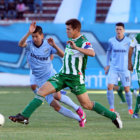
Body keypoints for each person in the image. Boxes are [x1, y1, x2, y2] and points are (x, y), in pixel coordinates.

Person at [11, 19, 123, 128]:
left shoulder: (83, 41)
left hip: (75, 79)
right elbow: (66, 56)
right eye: (66, 29)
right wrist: (56, 46)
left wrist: (77, 48)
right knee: (41, 92)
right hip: (62, 75)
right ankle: (24, 116)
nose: (66, 31)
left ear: (76, 30)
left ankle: (113, 116)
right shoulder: (71, 41)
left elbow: (92, 53)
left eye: (68, 29)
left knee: (87, 105)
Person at [9, 22, 86, 127]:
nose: (35, 38)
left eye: (36, 36)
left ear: (42, 36)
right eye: (33, 36)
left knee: (57, 96)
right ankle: (80, 119)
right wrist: (28, 33)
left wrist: (54, 45)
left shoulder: (48, 45)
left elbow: (63, 55)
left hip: (50, 75)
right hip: (39, 79)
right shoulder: (29, 44)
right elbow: (20, 44)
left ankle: (78, 109)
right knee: (55, 106)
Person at [104, 22, 133, 114]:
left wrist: (130, 64)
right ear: (115, 30)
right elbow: (108, 53)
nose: (118, 31)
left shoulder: (128, 41)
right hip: (114, 68)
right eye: (117, 29)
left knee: (127, 89)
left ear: (124, 30)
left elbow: (132, 53)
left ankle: (130, 108)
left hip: (125, 69)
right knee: (109, 87)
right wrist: (107, 64)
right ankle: (112, 108)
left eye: (120, 29)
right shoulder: (111, 40)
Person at [128, 33, 140, 118]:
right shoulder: (138, 36)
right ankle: (135, 113)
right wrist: (129, 63)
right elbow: (131, 48)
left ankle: (135, 113)